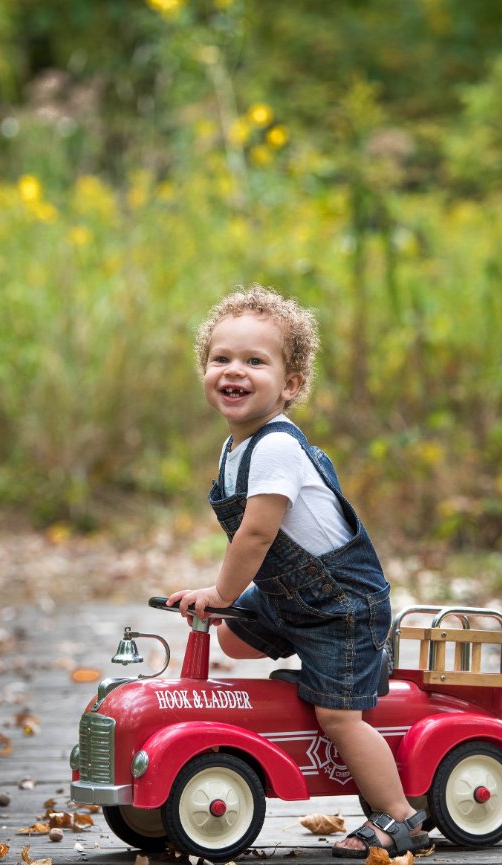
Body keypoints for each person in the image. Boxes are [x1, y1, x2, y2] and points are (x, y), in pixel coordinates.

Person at [168, 284, 428, 858]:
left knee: (338, 715)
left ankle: (398, 815)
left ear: (289, 385)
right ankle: (311, 673)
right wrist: (225, 603)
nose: (234, 371)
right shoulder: (235, 447)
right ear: (205, 370)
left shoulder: (278, 448)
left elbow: (257, 535)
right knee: (233, 639)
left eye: (255, 362)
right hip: (291, 596)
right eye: (222, 359)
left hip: (341, 606)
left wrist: (219, 590)